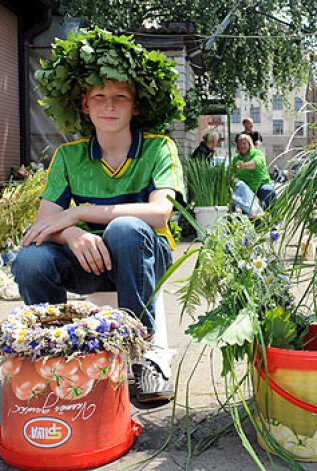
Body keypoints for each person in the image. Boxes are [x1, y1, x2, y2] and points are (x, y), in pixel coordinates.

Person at [11, 31, 186, 403]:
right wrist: (73, 234)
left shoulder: (159, 148)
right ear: (85, 105)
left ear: (135, 106)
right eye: (99, 97)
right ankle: (54, 354)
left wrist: (79, 213)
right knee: (30, 259)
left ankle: (142, 353)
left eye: (120, 96)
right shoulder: (68, 156)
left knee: (124, 229)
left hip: (145, 259)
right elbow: (41, 229)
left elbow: (160, 213)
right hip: (88, 262)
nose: (110, 105)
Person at [233, 134, 277, 214]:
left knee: (269, 192)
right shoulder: (236, 158)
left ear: (249, 144)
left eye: (244, 143)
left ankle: (275, 222)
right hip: (247, 188)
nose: (242, 146)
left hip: (261, 185)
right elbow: (233, 173)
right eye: (239, 144)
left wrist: (244, 165)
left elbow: (256, 163)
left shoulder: (257, 153)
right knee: (235, 200)